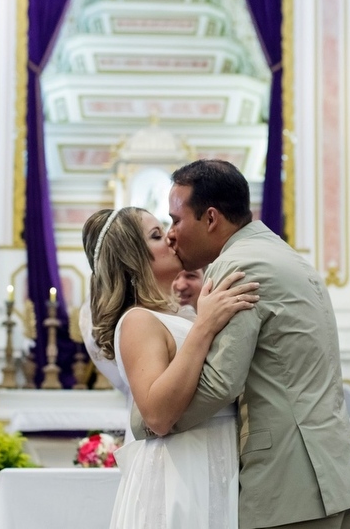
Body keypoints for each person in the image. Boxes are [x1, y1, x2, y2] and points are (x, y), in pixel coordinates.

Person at [133, 159, 350, 528]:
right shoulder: (287, 257)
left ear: (210, 218)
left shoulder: (237, 267)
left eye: (176, 220)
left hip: (289, 482)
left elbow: (220, 383)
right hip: (334, 471)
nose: (171, 234)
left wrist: (150, 416)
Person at [81, 206, 259, 527]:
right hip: (179, 473)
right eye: (156, 235)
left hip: (217, 460)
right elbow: (158, 416)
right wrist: (205, 326)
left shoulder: (182, 315)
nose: (171, 238)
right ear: (133, 259)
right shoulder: (137, 321)